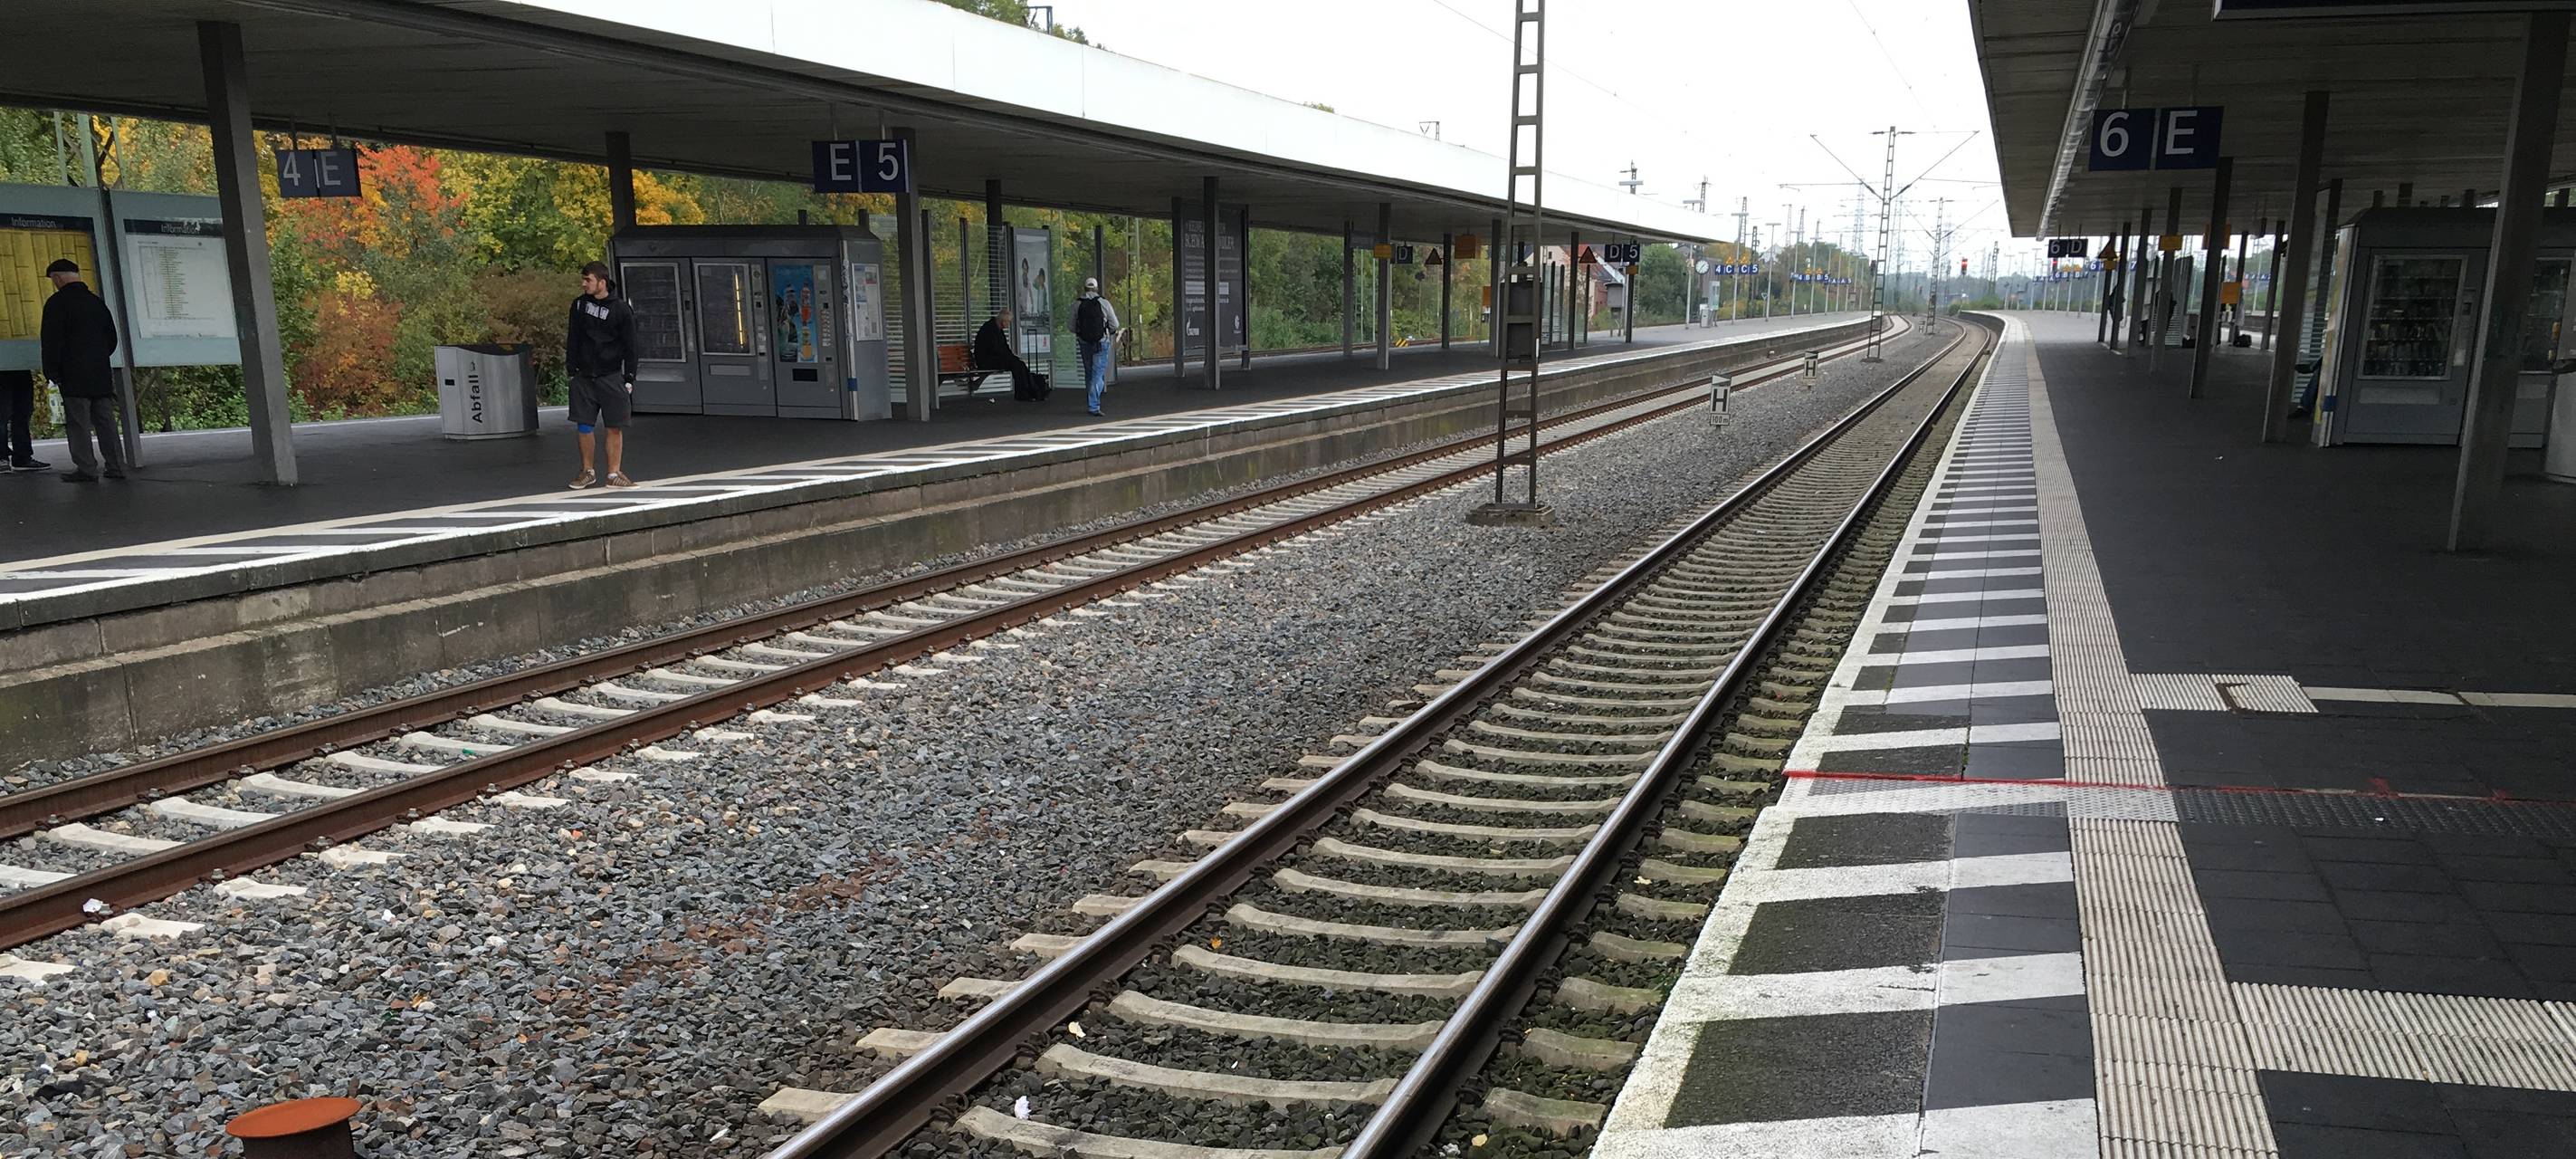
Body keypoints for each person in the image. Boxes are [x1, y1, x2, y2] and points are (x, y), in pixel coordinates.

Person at [40, 258, 121, 483]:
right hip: (100, 374)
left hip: (73, 375)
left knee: (78, 424)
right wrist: (98, 358)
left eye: (53, 280)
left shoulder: (57, 304)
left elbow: (51, 341)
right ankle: (116, 466)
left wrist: (52, 372)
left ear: (57, 277)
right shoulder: (96, 303)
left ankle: (86, 468)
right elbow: (111, 339)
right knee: (106, 422)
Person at [565, 260, 638, 489]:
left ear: (602, 282)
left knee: (614, 426)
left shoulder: (621, 309)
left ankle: (614, 473)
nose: (583, 284)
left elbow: (631, 345)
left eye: (588, 280)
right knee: (584, 425)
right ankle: (587, 471)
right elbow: (573, 337)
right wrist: (571, 368)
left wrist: (629, 377)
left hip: (611, 375)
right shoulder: (578, 305)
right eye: (583, 279)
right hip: (584, 377)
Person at [1073, 277, 1122, 417]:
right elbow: (1115, 324)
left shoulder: (1077, 304)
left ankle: (1091, 402)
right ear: (1096, 288)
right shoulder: (1104, 303)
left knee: (1089, 372)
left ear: (1084, 288)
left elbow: (1071, 326)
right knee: (1098, 373)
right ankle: (1093, 405)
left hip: (1084, 342)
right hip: (1102, 341)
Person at [974, 309, 1048, 401]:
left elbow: (1004, 348)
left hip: (995, 358)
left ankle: (1032, 390)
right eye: (1008, 322)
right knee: (1016, 364)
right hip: (987, 361)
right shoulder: (989, 329)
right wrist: (1010, 357)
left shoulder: (997, 329)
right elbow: (995, 349)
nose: (1008, 324)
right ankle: (1027, 392)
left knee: (1019, 364)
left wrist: (1012, 357)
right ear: (1003, 321)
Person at [1, 368, 41, 472]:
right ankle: (4, 458)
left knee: (23, 411)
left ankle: (22, 457)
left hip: (20, 368)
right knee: (3, 414)